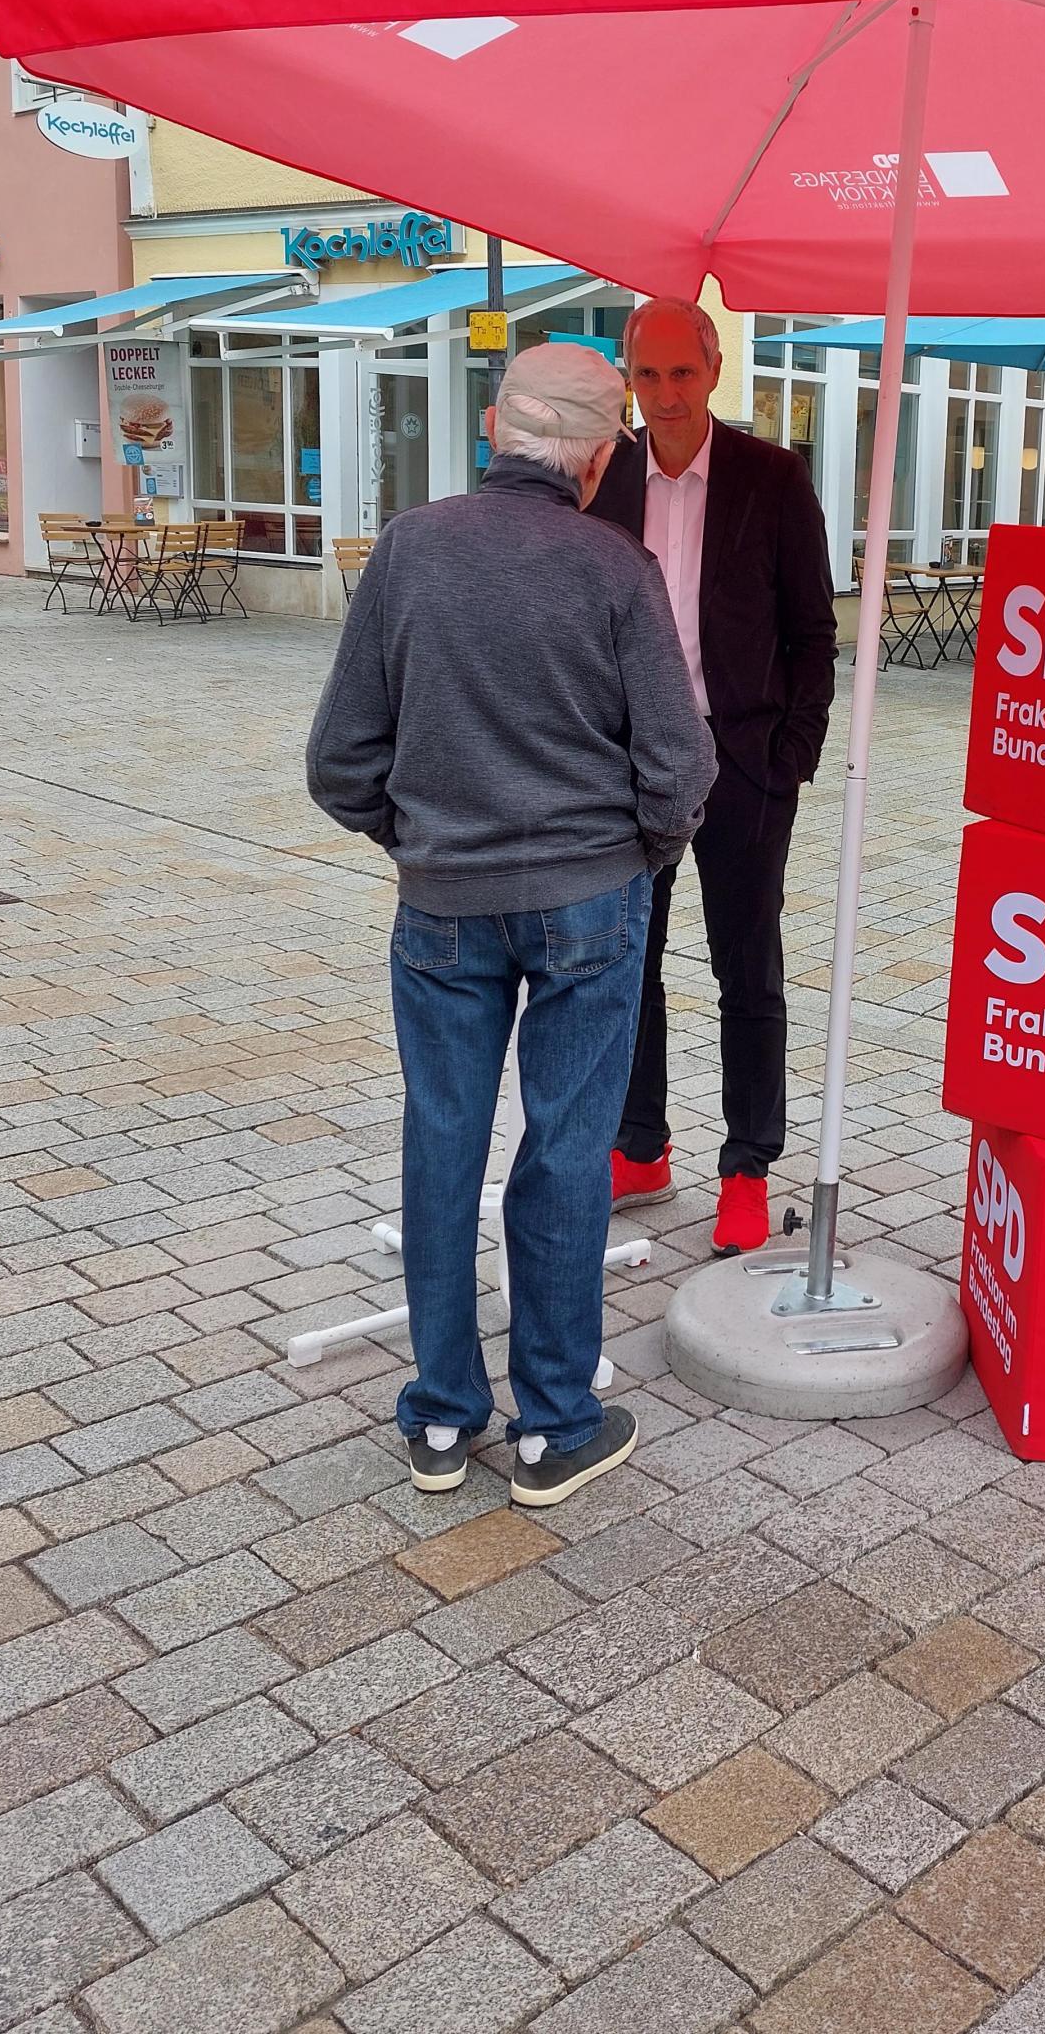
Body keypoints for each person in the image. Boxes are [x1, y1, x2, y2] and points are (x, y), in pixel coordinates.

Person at [306, 343, 714, 1508]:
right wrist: (639, 849)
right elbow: (680, 765)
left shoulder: (409, 549)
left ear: (494, 426)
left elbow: (339, 760)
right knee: (566, 1150)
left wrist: (420, 834)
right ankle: (553, 1424)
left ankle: (439, 1417)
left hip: (441, 904)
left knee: (441, 1144)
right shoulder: (617, 566)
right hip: (590, 900)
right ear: (598, 455)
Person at [595, 296, 839, 1256]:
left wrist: (790, 758)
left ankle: (746, 1166)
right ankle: (641, 1145)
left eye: (681, 374)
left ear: (714, 371)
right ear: (629, 377)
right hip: (629, 764)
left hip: (742, 764)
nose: (664, 394)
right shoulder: (602, 476)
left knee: (749, 971)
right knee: (627, 965)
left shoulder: (772, 479)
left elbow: (813, 633)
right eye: (647, 375)